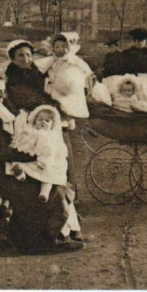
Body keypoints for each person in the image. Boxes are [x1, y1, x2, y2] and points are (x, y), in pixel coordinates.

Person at [0, 66, 83, 252]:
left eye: (3, 91)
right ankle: (41, 241)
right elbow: (0, 151)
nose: (2, 96)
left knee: (51, 180)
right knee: (48, 190)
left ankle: (49, 234)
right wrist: (33, 154)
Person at [35, 32, 94, 189]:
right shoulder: (51, 62)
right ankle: (55, 185)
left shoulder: (74, 64)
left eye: (63, 47)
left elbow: (80, 82)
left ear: (70, 48)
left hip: (63, 109)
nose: (60, 50)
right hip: (52, 108)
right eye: (57, 47)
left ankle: (70, 187)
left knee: (64, 149)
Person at [9, 105, 67, 203]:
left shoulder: (51, 136)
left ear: (53, 124)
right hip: (34, 159)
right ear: (34, 121)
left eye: (47, 121)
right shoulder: (32, 132)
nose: (43, 122)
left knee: (49, 176)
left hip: (49, 162)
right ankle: (20, 174)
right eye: (40, 119)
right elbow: (23, 143)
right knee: (20, 164)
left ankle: (44, 193)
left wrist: (44, 162)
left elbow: (48, 151)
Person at [4, 39, 52, 113]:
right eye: (21, 56)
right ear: (13, 59)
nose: (26, 59)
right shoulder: (13, 79)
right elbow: (27, 101)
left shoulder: (37, 72)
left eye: (28, 55)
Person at [120, 28, 147, 100]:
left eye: (143, 40)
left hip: (145, 77)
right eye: (138, 41)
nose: (141, 43)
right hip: (133, 77)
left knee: (146, 94)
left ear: (145, 41)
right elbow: (124, 68)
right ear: (134, 41)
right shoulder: (127, 52)